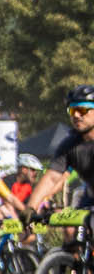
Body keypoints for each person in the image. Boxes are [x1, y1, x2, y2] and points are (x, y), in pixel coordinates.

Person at [26, 85, 94, 221]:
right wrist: (30, 208)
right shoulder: (70, 145)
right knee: (72, 225)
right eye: (72, 110)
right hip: (90, 196)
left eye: (82, 110)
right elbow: (52, 178)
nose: (76, 115)